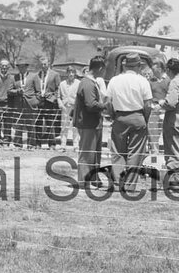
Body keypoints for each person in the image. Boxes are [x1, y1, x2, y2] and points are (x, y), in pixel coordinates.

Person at [105, 52, 153, 192]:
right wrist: (144, 118)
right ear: (139, 66)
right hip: (138, 117)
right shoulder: (143, 81)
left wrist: (113, 115)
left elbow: (108, 102)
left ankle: (118, 181)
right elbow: (148, 104)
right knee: (135, 153)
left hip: (120, 117)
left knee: (118, 152)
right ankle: (130, 185)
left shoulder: (114, 80)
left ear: (124, 65)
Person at [72, 56, 107, 186]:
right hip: (88, 124)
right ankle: (83, 181)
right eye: (104, 69)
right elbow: (91, 105)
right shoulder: (87, 83)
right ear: (100, 68)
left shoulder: (92, 82)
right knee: (87, 153)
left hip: (94, 124)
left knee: (95, 153)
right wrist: (106, 106)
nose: (104, 72)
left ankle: (93, 178)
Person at [146, 60, 169, 163]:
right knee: (153, 133)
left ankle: (167, 156)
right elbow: (148, 95)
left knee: (167, 133)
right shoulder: (151, 81)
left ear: (160, 69)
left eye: (154, 69)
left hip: (165, 110)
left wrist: (163, 104)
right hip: (154, 109)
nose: (152, 71)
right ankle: (154, 156)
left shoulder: (168, 80)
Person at [37, 59, 62, 150]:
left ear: (49, 64)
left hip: (50, 102)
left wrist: (53, 96)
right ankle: (37, 144)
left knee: (50, 123)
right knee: (38, 123)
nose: (43, 66)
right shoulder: (37, 75)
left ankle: (52, 144)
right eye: (42, 64)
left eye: (45, 64)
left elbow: (59, 89)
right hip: (40, 101)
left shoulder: (55, 75)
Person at [58, 66, 81, 152]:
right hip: (65, 108)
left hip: (75, 107)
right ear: (66, 73)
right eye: (69, 72)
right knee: (64, 127)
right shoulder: (62, 84)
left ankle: (76, 146)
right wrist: (61, 104)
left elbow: (80, 96)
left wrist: (77, 106)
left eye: (72, 72)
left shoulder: (78, 83)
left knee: (75, 127)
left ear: (75, 73)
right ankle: (63, 145)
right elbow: (58, 96)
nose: (71, 74)